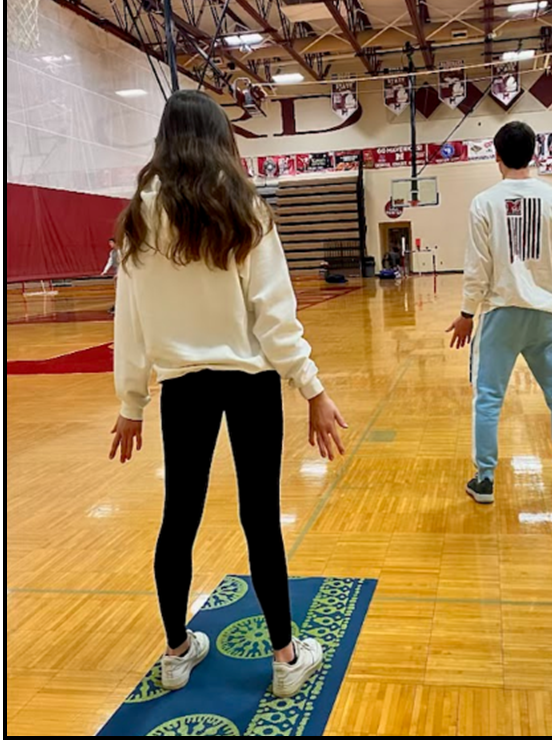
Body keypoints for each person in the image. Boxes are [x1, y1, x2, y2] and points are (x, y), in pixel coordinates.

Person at [108, 90, 348, 698]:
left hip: (182, 389)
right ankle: (286, 658)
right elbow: (274, 315)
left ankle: (175, 651)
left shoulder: (138, 215)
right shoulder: (243, 206)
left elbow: (128, 321)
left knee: (178, 518)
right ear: (221, 137)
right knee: (259, 518)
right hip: (250, 384)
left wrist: (131, 403)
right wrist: (311, 387)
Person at [446, 121, 552, 505]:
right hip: (545, 316)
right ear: (534, 153)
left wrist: (466, 313)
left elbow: (476, 267)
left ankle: (485, 481)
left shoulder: (483, 202)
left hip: (500, 316)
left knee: (488, 399)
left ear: (496, 156)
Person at [101, 238, 119, 313]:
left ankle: (118, 306)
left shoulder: (120, 251)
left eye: (111, 243)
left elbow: (123, 263)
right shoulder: (112, 252)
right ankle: (117, 305)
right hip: (116, 273)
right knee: (117, 290)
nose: (110, 245)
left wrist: (119, 273)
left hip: (121, 273)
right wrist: (104, 271)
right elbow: (110, 262)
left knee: (120, 289)